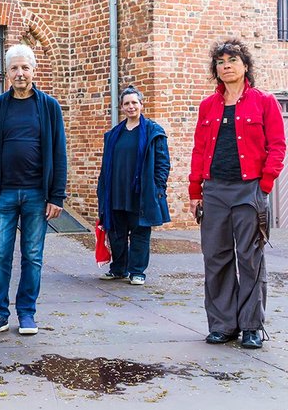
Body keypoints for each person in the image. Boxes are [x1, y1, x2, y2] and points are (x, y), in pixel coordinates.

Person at [189, 38, 285, 349]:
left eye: (232, 60)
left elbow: (277, 147)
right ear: (215, 69)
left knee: (250, 258)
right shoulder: (208, 106)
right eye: (220, 61)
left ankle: (252, 327)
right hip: (214, 189)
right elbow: (199, 150)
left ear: (245, 66)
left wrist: (265, 183)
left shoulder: (264, 102)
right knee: (216, 258)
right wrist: (195, 190)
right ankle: (222, 325)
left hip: (249, 189)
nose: (226, 66)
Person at [0, 44, 67, 337]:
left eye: (25, 67)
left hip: (36, 195)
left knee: (33, 256)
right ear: (7, 72)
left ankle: (27, 313)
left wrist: (56, 195)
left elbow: (59, 152)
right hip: (3, 194)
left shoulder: (49, 106)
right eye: (14, 68)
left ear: (33, 70)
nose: (20, 73)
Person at [97, 85, 171, 286]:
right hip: (116, 192)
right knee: (116, 233)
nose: (131, 107)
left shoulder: (153, 132)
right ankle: (118, 269)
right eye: (127, 103)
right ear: (122, 107)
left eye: (134, 103)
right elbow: (106, 166)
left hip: (141, 192)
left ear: (141, 104)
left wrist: (158, 188)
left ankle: (137, 272)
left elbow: (163, 163)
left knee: (140, 233)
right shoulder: (114, 134)